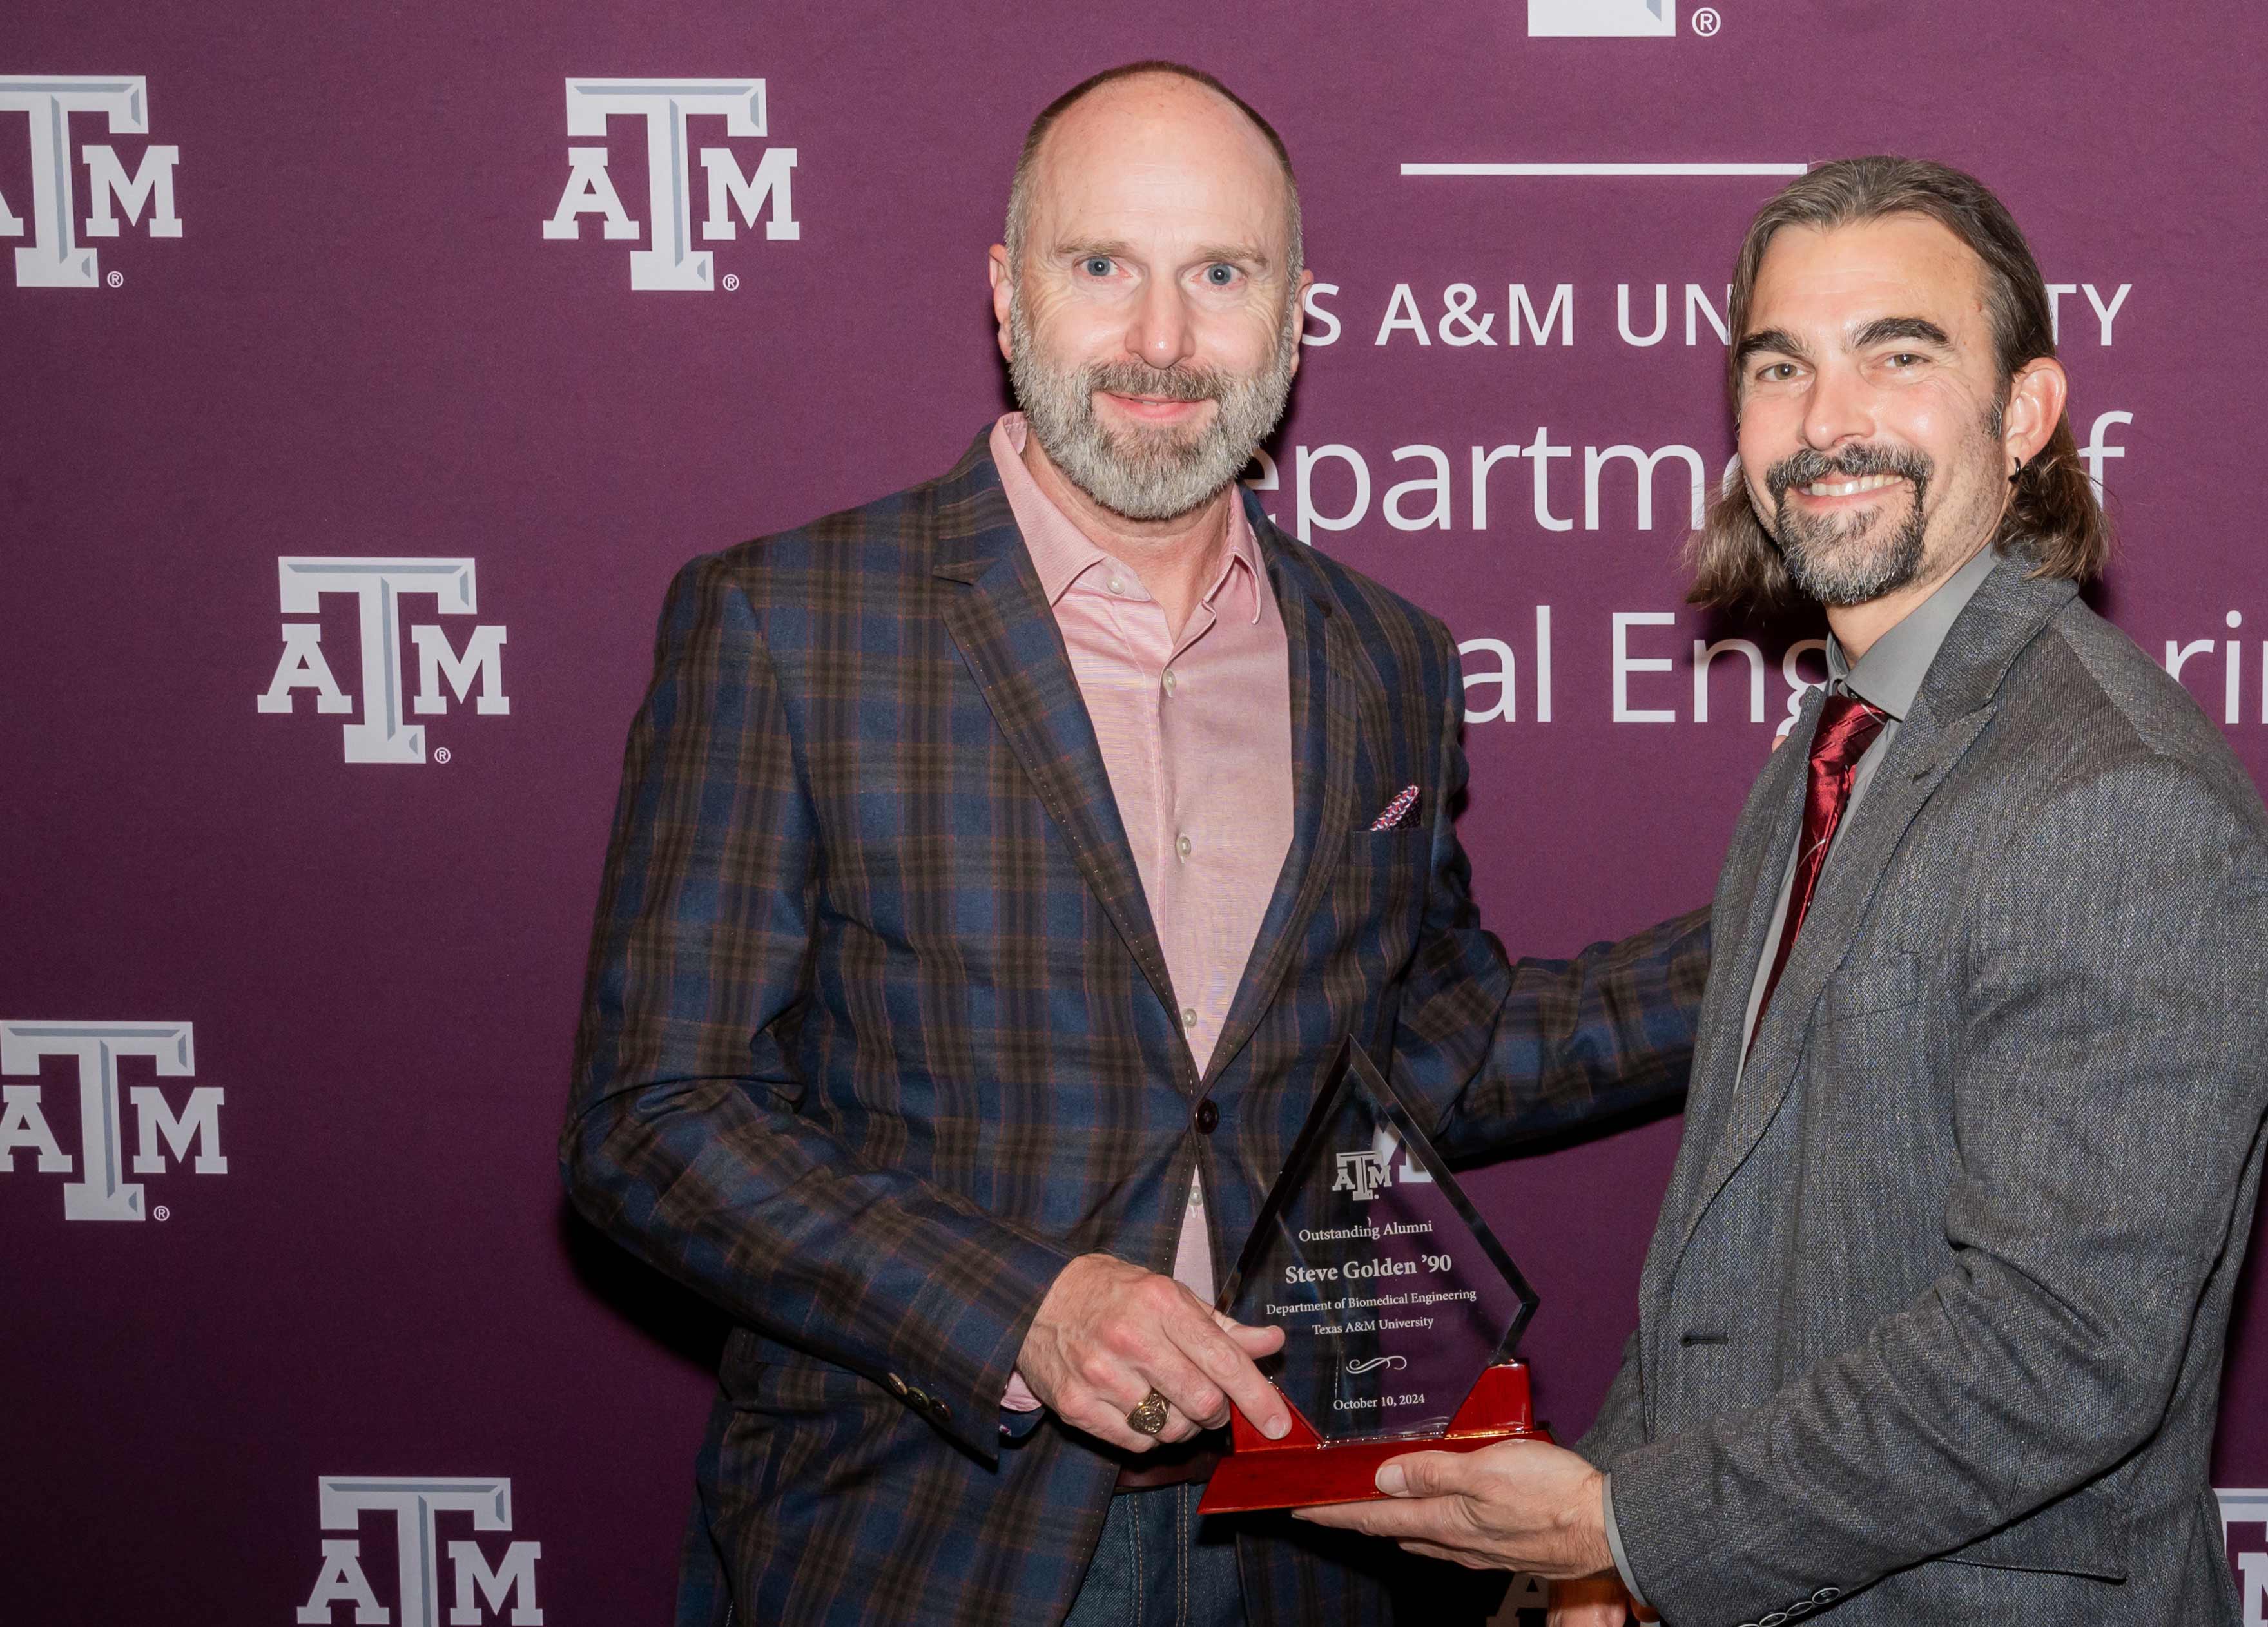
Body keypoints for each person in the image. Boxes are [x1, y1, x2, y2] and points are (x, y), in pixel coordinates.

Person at [561, 60, 1709, 1627]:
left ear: (1297, 314)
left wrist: (1785, 936)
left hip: (1308, 1544)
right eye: (1102, 266)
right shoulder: (787, 624)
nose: (1160, 342)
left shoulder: (1385, 662)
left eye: (1218, 275)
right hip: (919, 1539)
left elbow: (1430, 1044)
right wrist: (1020, 1310)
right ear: (1004, 293)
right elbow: (655, 1119)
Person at [1298, 156, 2268, 1627]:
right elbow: (1730, 1247)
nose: (1826, 423)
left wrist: (1631, 1527)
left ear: (2023, 414)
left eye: (1895, 357)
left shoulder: (2115, 804)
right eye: (1781, 367)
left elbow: (2058, 1350)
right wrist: (1606, 1560)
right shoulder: (1842, 743)